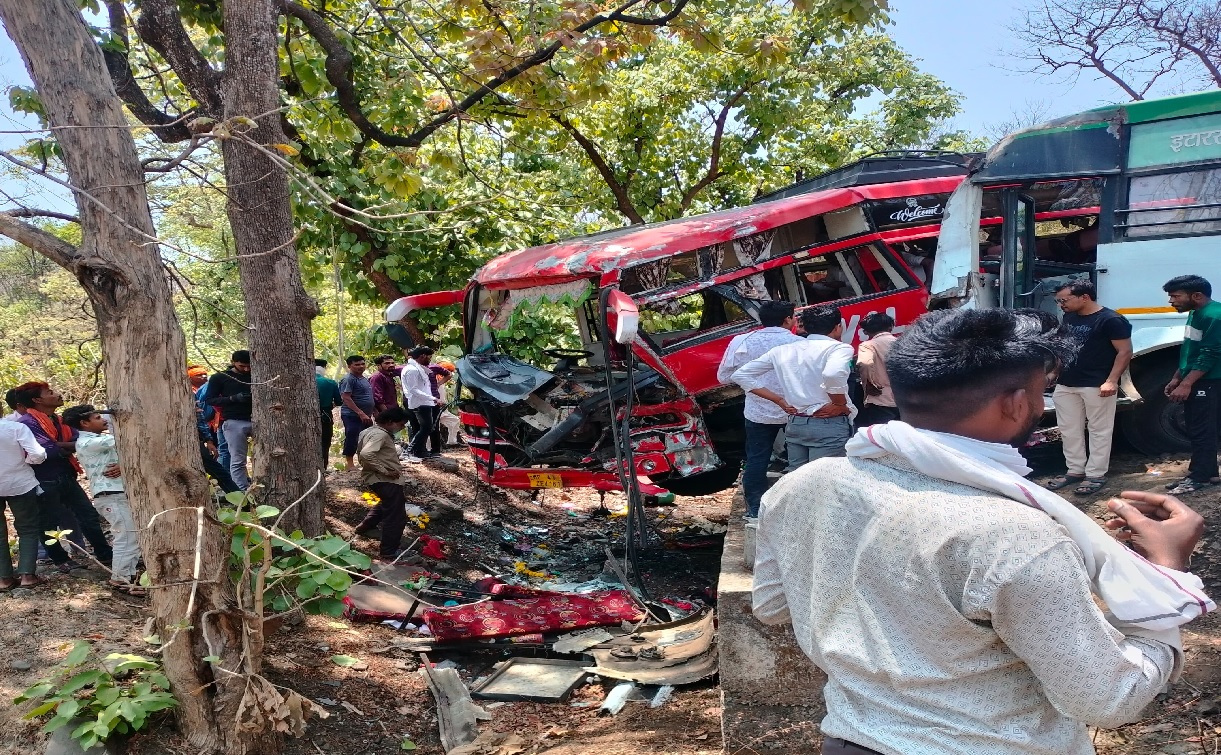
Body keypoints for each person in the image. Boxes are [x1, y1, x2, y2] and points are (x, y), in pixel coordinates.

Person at [754, 307, 1211, 755]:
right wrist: (1164, 576)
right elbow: (1109, 699)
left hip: (852, 739)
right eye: (1041, 392)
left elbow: (773, 605)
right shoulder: (1014, 536)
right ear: (1015, 403)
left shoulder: (802, 485)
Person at [733, 306, 855, 472]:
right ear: (837, 327)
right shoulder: (838, 348)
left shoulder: (782, 350)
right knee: (825, 479)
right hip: (827, 424)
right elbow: (833, 373)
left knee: (797, 479)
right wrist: (839, 403)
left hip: (796, 424)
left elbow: (740, 375)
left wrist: (779, 401)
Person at [12, 382, 113, 572]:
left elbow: (78, 439)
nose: (57, 394)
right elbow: (46, 451)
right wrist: (69, 446)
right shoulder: (27, 424)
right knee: (48, 522)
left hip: (66, 474)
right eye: (50, 392)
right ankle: (60, 560)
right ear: (37, 400)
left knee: (88, 515)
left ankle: (104, 553)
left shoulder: (58, 420)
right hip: (44, 479)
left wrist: (63, 445)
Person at [1045, 280, 1133, 496]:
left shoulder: (1111, 320)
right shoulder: (1069, 317)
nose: (1061, 305)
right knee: (1068, 429)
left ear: (1085, 297)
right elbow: (1065, 349)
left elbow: (1125, 352)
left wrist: (1111, 380)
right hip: (1066, 383)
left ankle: (1095, 474)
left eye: (1064, 300)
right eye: (1058, 301)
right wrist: (1054, 373)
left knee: (1099, 430)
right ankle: (1075, 470)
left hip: (1096, 384)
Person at [719, 301, 801, 519]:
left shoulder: (741, 341)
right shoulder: (800, 343)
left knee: (756, 459)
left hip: (758, 410)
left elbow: (724, 376)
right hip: (795, 410)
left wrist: (754, 382)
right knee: (798, 460)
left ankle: (755, 510)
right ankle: (796, 511)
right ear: (787, 320)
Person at [62, 406, 145, 595]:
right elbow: (130, 439)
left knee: (131, 536)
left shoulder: (95, 440)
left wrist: (124, 465)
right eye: (98, 417)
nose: (104, 420)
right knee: (127, 536)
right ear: (84, 423)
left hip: (115, 494)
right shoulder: (91, 442)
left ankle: (128, 576)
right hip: (111, 495)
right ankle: (121, 579)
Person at [1163, 275, 1221, 494]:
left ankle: (1201, 477)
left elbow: (1210, 354)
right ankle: (1207, 472)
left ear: (1196, 296)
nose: (1171, 301)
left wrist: (1186, 384)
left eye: (1175, 296)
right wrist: (1177, 377)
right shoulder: (1196, 313)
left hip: (1210, 381)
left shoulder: (1214, 316)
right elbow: (1191, 349)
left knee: (1202, 429)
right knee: (1199, 427)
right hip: (1200, 379)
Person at [353, 407, 413, 562]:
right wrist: (385, 471)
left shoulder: (368, 431)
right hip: (384, 479)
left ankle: (366, 525)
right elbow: (366, 454)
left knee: (389, 502)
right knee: (396, 516)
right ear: (390, 422)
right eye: (401, 424)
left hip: (374, 478)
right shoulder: (380, 435)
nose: (402, 428)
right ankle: (389, 551)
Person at [0, 414, 46, 589]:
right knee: (28, 528)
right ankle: (27, 575)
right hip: (19, 483)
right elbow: (38, 454)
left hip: (16, 482)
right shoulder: (15, 428)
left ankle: (4, 579)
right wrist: (27, 462)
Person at [205, 350, 254, 490]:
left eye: (249, 366)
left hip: (257, 420)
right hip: (234, 421)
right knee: (238, 459)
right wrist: (233, 398)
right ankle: (241, 491)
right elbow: (210, 400)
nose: (246, 369)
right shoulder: (220, 377)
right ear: (233, 362)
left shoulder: (257, 375)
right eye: (242, 366)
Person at [189, 366, 238, 494]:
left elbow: (199, 416)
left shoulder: (187, 393)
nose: (203, 377)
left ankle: (240, 501)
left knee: (218, 471)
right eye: (198, 375)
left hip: (192, 440)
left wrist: (208, 440)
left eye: (204, 374)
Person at [853, 312, 900, 428]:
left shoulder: (868, 345)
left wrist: (869, 384)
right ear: (891, 327)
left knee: (883, 435)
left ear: (866, 332)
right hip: (904, 397)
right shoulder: (903, 342)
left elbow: (865, 363)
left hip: (880, 399)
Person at [402, 346, 442, 461]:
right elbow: (414, 390)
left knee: (426, 428)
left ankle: (419, 452)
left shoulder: (418, 368)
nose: (430, 359)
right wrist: (434, 398)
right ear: (423, 356)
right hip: (420, 403)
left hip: (425, 402)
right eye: (429, 357)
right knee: (426, 428)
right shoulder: (412, 370)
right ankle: (409, 452)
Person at [339, 355, 375, 471]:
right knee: (352, 437)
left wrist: (373, 411)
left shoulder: (364, 379)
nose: (361, 366)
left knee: (366, 438)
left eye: (362, 364)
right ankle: (350, 464)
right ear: (349, 366)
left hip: (366, 415)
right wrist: (360, 413)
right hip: (352, 415)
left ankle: (364, 462)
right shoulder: (349, 379)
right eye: (357, 364)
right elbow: (346, 397)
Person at [315, 358, 342, 469]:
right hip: (325, 416)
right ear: (324, 368)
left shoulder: (301, 381)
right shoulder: (330, 383)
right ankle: (323, 468)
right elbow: (339, 401)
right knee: (325, 443)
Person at [434, 361, 463, 446]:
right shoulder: (434, 380)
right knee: (434, 428)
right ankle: (430, 448)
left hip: (443, 409)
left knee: (455, 421)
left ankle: (452, 442)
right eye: (449, 371)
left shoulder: (441, 381)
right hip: (435, 408)